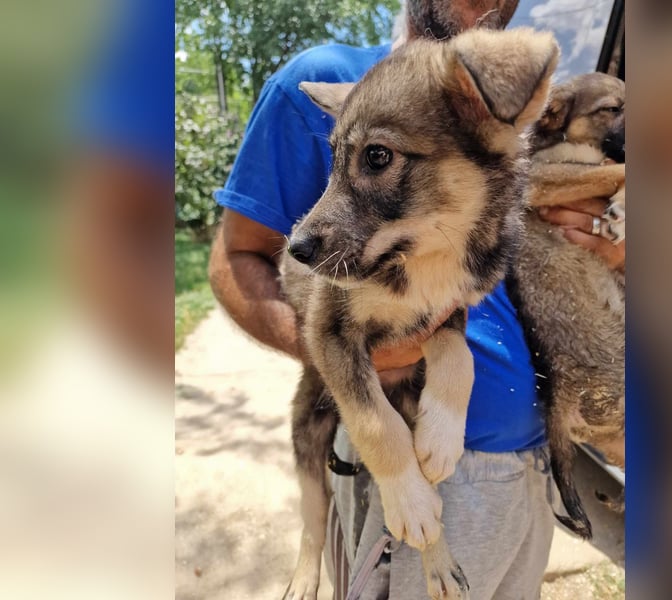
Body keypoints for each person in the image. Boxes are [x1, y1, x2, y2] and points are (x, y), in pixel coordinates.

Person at [208, 1, 624, 597]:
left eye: (378, 158)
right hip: (403, 462)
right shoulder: (326, 78)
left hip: (535, 467)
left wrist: (610, 242)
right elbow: (236, 257)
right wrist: (351, 362)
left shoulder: (511, 113)